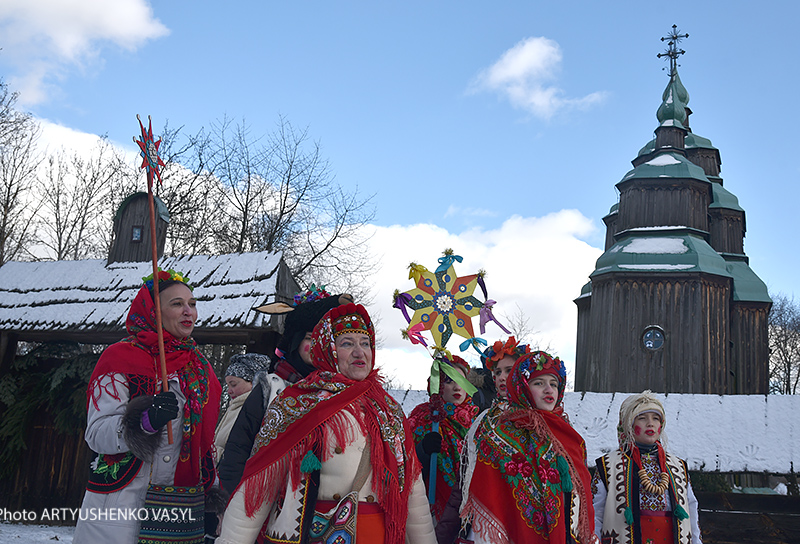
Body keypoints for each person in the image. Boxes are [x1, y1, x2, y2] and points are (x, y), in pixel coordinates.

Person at [217, 303, 436, 544]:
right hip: (320, 534)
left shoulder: (389, 411)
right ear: (326, 350)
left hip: (376, 534)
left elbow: (414, 494)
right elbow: (258, 488)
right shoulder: (296, 405)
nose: (359, 352)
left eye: (365, 343)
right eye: (347, 343)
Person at [74, 269, 222, 543]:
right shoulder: (120, 358)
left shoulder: (201, 369)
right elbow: (96, 434)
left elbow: (204, 441)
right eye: (177, 304)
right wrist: (144, 422)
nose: (188, 311)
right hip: (121, 507)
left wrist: (210, 493)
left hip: (179, 510)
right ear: (153, 311)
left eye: (192, 303)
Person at [216, 288, 352, 494]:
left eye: (325, 338)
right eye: (309, 338)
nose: (317, 345)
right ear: (295, 342)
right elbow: (238, 449)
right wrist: (233, 501)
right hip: (266, 499)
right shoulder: (270, 387)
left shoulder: (342, 392)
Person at [460, 351, 597, 544]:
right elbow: (491, 501)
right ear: (522, 387)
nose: (549, 390)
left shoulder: (570, 438)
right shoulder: (499, 436)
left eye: (554, 384)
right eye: (539, 383)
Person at [592, 391, 702, 544]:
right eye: (642, 418)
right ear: (629, 425)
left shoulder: (678, 466)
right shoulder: (608, 465)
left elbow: (691, 510)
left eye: (655, 418)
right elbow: (595, 514)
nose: (650, 423)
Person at [407, 352, 478, 524]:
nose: (457, 388)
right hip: (427, 510)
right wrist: (422, 450)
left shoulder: (477, 421)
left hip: (470, 509)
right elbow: (403, 463)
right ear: (437, 384)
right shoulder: (422, 417)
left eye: (461, 382)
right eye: (449, 381)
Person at [213, 353, 270, 464]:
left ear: (252, 382)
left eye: (233, 384)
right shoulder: (234, 407)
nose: (229, 391)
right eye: (228, 385)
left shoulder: (253, 411)